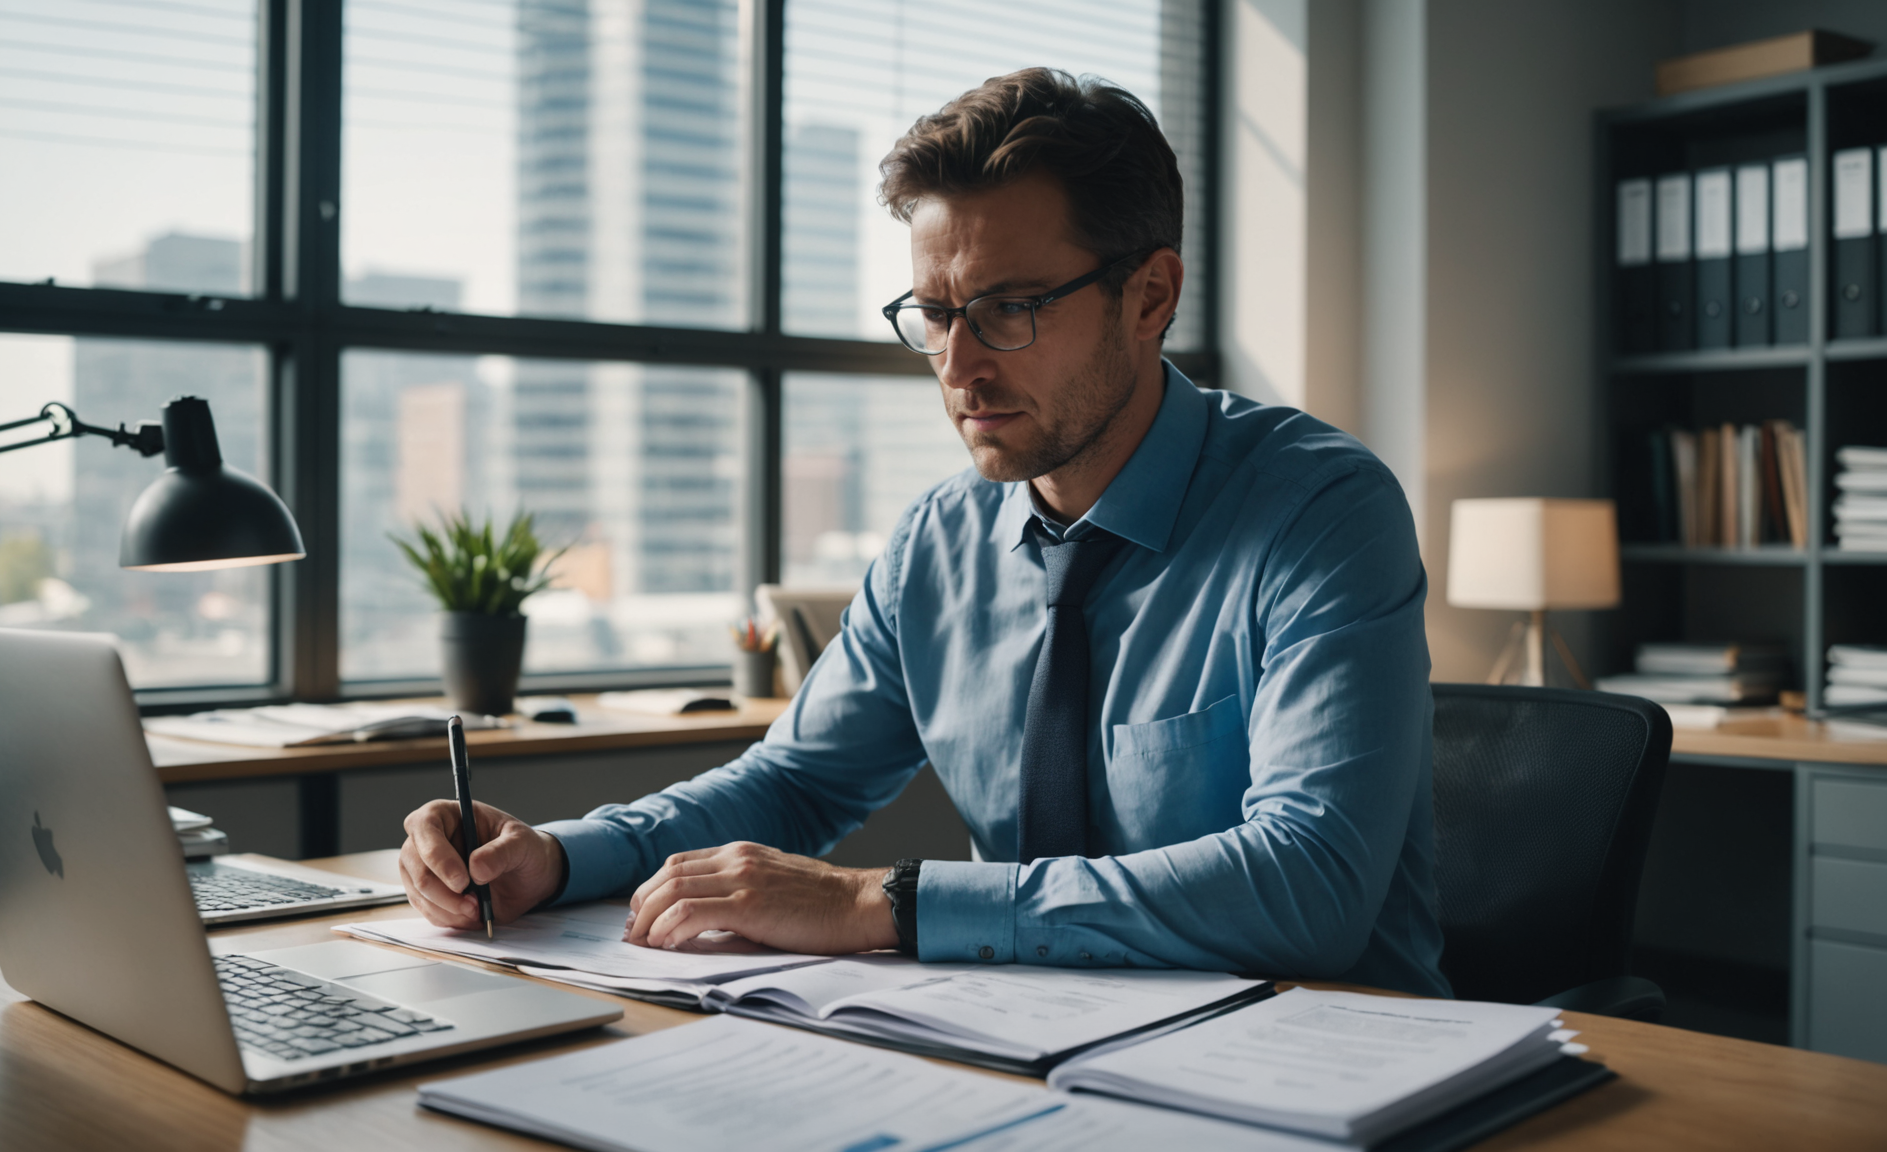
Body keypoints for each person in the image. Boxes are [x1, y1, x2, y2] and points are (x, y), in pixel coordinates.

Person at [400, 67, 1448, 997]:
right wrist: (559, 858)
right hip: (1038, 1049)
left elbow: (1310, 885)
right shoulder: (939, 543)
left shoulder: (1319, 510)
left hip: (1334, 1063)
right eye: (937, 314)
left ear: (1149, 296)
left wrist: (882, 902)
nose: (959, 366)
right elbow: (796, 781)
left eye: (1009, 308)